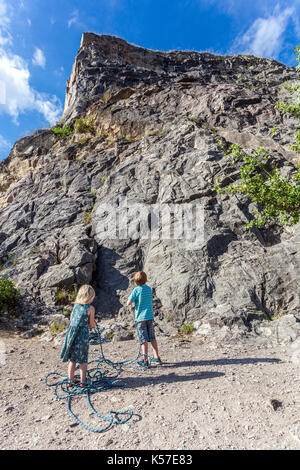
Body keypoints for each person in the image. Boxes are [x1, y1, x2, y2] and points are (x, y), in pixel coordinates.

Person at [60, 284, 96, 386]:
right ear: (90, 297)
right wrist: (93, 322)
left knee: (73, 360)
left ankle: (70, 380)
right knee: (83, 360)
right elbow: (92, 324)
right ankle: (83, 381)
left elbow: (72, 319)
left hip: (72, 335)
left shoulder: (75, 306)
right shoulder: (90, 308)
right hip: (82, 336)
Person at [127, 271, 162, 367]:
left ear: (135, 281)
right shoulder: (149, 289)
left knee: (143, 339)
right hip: (149, 316)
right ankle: (156, 357)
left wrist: (134, 305)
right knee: (152, 337)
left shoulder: (136, 290)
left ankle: (145, 360)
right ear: (146, 279)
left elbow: (128, 302)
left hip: (140, 318)